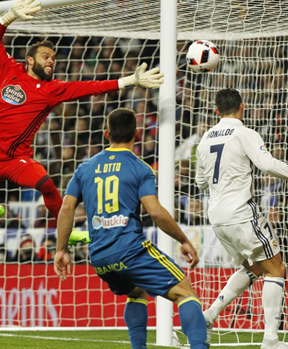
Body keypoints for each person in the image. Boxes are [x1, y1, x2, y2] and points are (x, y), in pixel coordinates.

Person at [0, 0, 164, 240]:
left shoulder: (52, 89)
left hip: (17, 158)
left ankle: (66, 232)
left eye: (53, 58)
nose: (51, 61)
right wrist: (9, 16)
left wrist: (129, 81)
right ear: (29, 60)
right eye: (45, 57)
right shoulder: (9, 69)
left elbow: (91, 87)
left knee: (46, 184)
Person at [54, 108, 208, 348]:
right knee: (184, 291)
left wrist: (61, 250)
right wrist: (183, 239)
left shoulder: (84, 168)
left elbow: (66, 208)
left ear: (107, 134)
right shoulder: (141, 168)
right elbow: (155, 211)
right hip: (130, 250)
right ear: (136, 134)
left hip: (99, 257)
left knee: (137, 292)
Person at [195, 88, 288, 349]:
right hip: (241, 213)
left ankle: (208, 316)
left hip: (217, 217)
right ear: (242, 107)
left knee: (254, 269)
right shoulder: (245, 133)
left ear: (216, 111)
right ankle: (270, 340)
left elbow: (200, 183)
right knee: (276, 269)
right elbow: (267, 165)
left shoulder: (204, 140)